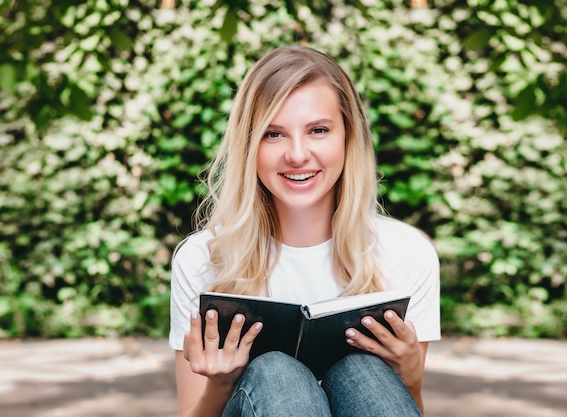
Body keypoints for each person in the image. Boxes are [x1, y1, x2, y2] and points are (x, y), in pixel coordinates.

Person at [169, 45, 440, 417]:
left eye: (318, 130)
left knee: (363, 371)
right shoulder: (202, 258)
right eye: (273, 134)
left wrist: (409, 376)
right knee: (279, 374)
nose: (297, 155)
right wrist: (221, 384)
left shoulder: (407, 254)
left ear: (348, 136)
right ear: (249, 144)